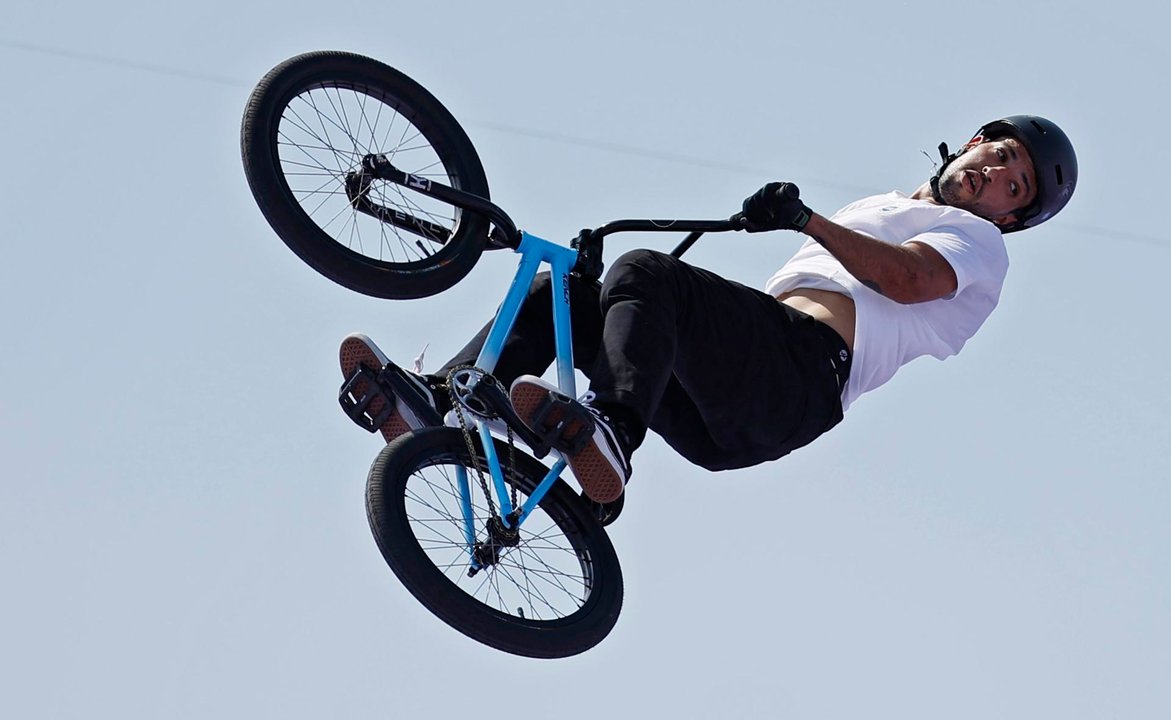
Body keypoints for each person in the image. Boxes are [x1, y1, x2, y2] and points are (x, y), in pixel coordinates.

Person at [340, 115, 1078, 506]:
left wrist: (807, 222)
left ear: (1009, 219)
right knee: (564, 295)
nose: (995, 179)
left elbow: (905, 281)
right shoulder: (882, 206)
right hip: (726, 413)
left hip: (800, 378)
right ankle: (438, 407)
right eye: (1000, 158)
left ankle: (612, 435)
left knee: (648, 274)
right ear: (976, 142)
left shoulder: (978, 244)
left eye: (1013, 189)